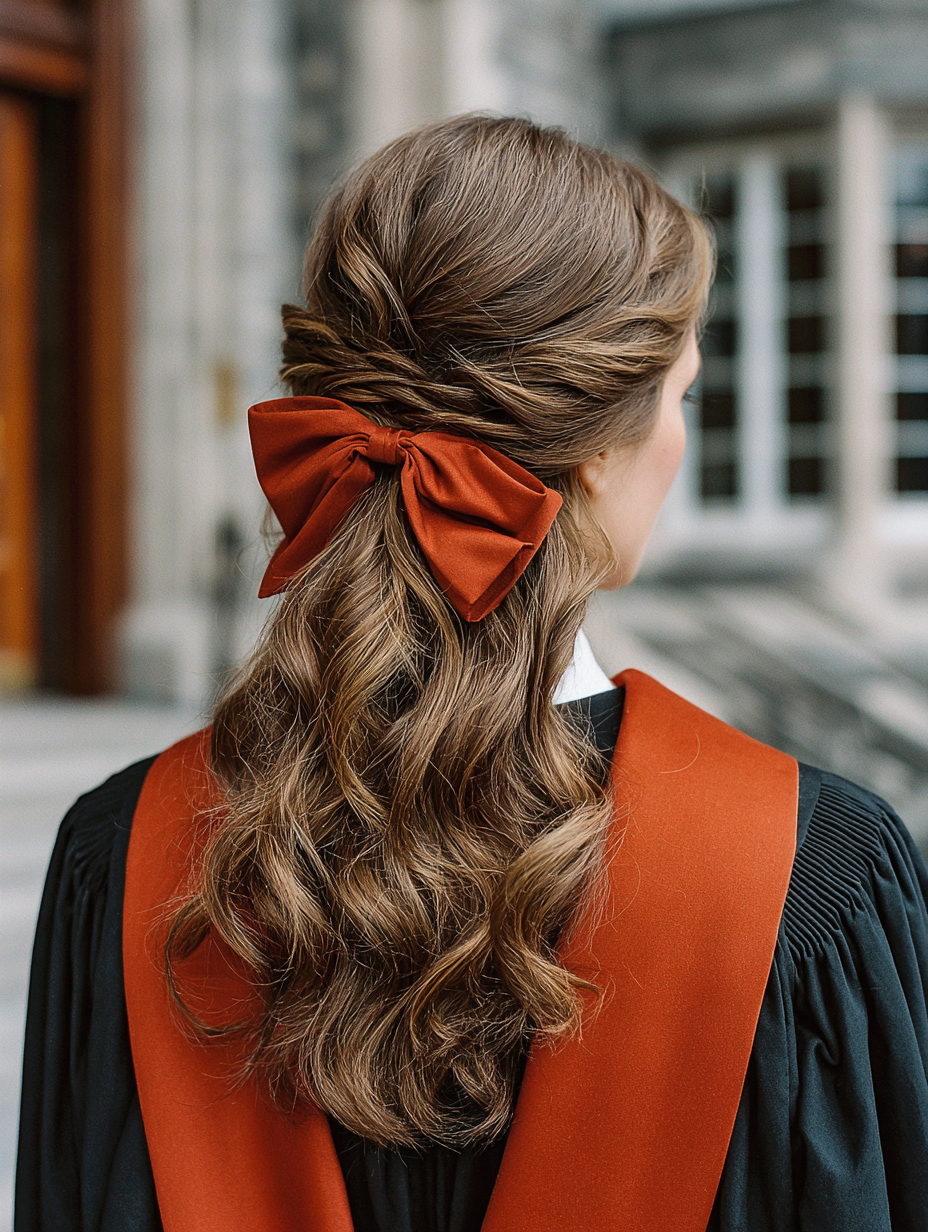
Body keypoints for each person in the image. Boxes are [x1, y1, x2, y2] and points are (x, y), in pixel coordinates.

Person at [16, 116, 928, 1232]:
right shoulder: (815, 877)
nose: (678, 436)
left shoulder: (121, 862)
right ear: (597, 446)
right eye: (681, 392)